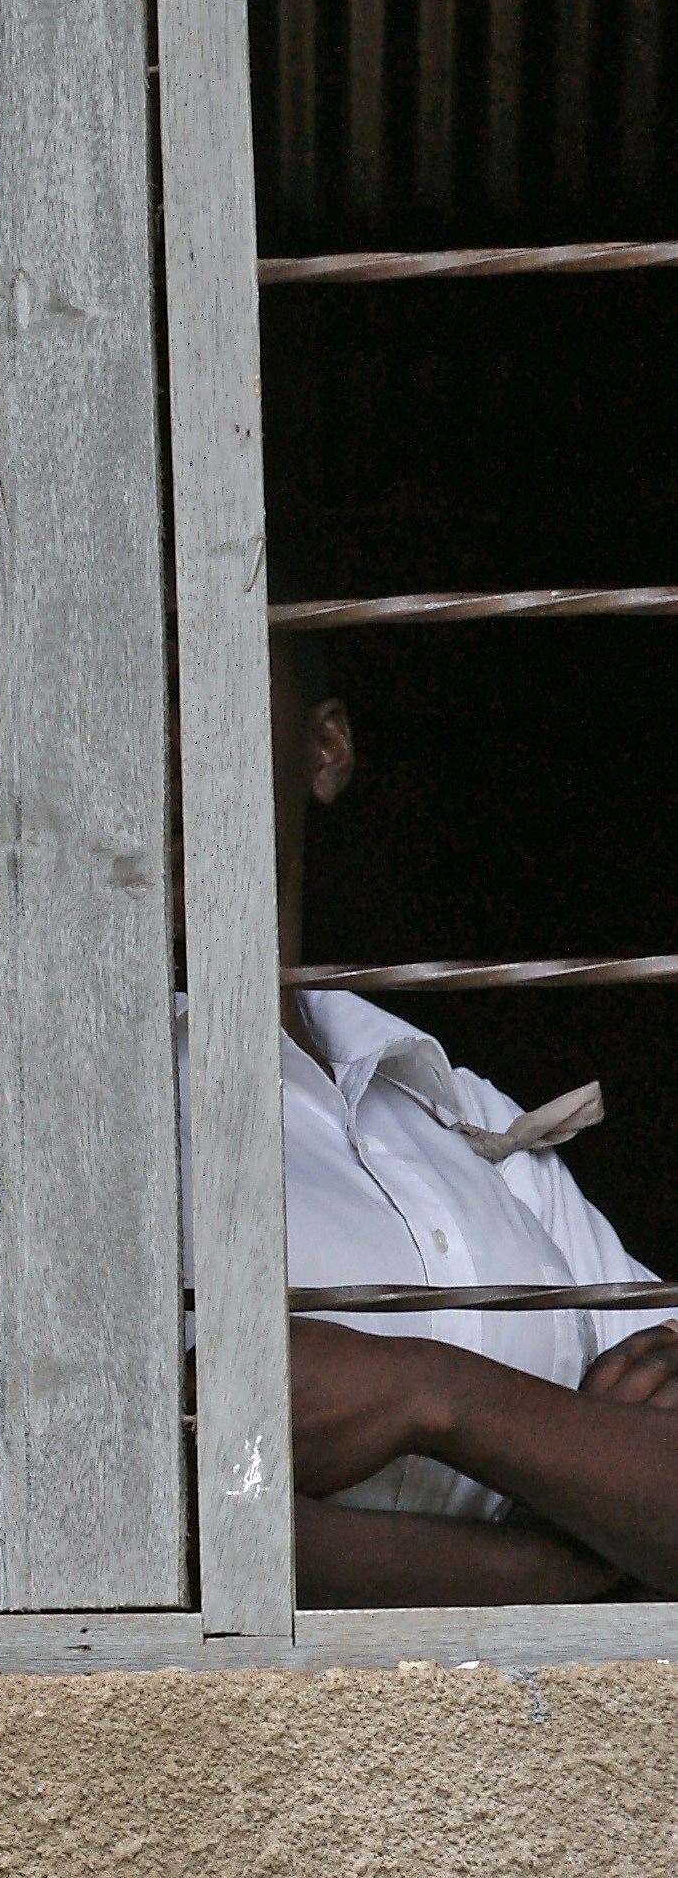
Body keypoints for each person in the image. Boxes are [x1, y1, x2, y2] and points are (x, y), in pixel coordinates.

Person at [271, 632, 678, 1602]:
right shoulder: (84, 1117)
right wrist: (579, 1542)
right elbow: (146, 1533)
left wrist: (433, 1394)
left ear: (324, 750)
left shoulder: (455, 1111)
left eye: (190, 676)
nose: (157, 730)